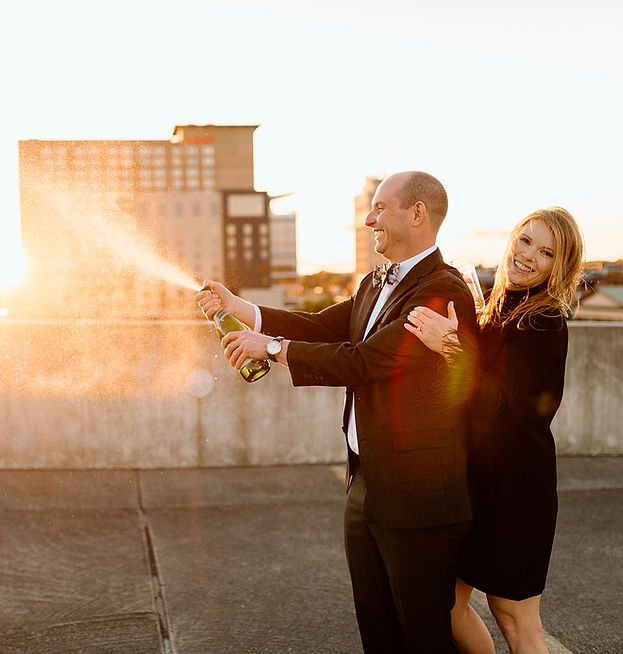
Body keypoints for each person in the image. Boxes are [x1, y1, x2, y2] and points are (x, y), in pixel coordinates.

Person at [196, 171, 479, 653]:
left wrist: (273, 349)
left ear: (417, 214)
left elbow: (367, 362)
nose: (369, 219)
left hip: (417, 496)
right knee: (377, 629)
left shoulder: (443, 290)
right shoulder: (375, 282)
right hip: (367, 483)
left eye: (381, 208)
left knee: (424, 636)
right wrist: (240, 307)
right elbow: (324, 326)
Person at [404, 207, 584, 654]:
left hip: (517, 490)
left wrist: (447, 344)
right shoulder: (499, 303)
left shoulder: (544, 321)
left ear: (559, 266)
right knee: (447, 607)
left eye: (545, 252)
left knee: (515, 619)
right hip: (475, 482)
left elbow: (496, 401)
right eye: (525, 240)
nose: (527, 256)